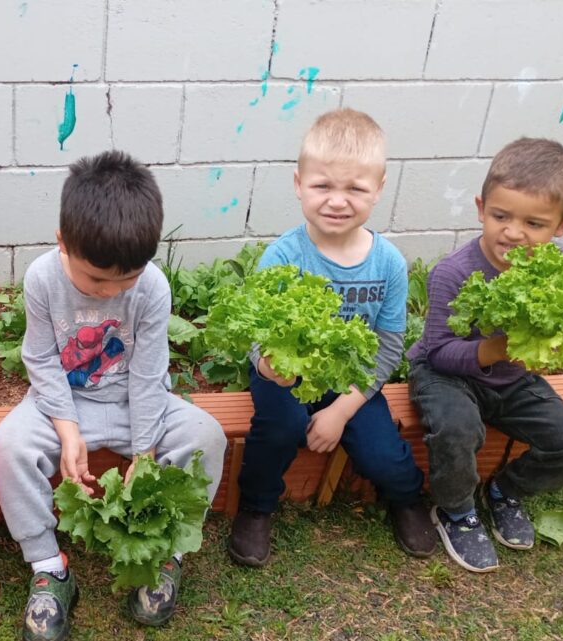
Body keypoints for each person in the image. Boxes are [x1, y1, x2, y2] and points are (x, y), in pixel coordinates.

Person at [0, 150, 227, 640]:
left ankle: (168, 552)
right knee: (6, 446)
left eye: (126, 279)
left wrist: (145, 448)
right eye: (96, 278)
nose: (108, 291)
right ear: (63, 242)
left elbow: (147, 373)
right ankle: (49, 567)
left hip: (133, 404)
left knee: (208, 435)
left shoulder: (153, 289)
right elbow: (40, 360)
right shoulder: (41, 278)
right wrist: (66, 428)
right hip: (62, 405)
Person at [227, 108, 435, 568]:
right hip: (284, 373)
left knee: (383, 454)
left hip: (353, 381)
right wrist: (269, 366)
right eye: (322, 186)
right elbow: (259, 333)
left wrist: (342, 409)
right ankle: (257, 506)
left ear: (378, 190)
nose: (337, 201)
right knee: (277, 429)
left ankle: (407, 498)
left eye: (355, 188)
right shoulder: (282, 255)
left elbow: (387, 348)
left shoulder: (389, 264)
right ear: (299, 183)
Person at [407, 137, 563, 572]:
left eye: (534, 224)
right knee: (458, 428)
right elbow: (439, 352)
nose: (514, 232)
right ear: (481, 208)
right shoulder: (454, 271)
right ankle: (455, 510)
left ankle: (505, 491)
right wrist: (496, 349)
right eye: (501, 216)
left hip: (512, 381)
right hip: (446, 375)